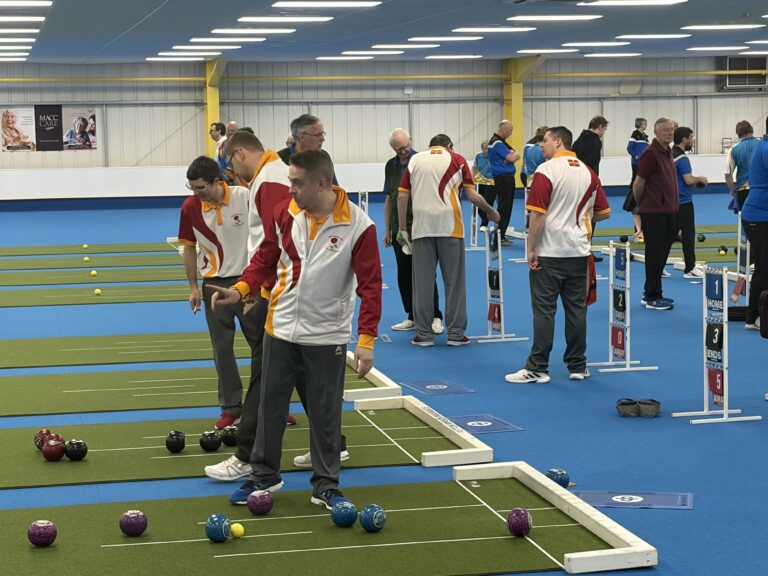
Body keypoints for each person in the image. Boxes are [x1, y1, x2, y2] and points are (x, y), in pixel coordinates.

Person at [207, 150, 382, 510]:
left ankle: (326, 484)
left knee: (325, 413)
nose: (291, 189)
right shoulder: (284, 213)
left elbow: (371, 286)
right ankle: (264, 475)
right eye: (290, 181)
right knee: (270, 408)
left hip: (326, 336)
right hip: (280, 327)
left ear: (322, 183)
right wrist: (240, 289)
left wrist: (366, 340)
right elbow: (264, 260)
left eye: (297, 183)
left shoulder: (360, 226)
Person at [202, 130, 310, 483]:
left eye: (230, 165)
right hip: (280, 290)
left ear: (240, 153)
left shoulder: (269, 182)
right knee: (302, 371)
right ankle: (332, 443)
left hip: (279, 294)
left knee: (266, 376)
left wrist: (257, 290)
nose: (232, 174)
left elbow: (274, 242)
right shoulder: (271, 178)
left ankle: (247, 456)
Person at [505, 126, 610, 384]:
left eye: (545, 141)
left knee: (544, 311)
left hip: (550, 252)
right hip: (578, 251)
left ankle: (538, 367)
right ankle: (578, 365)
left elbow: (537, 215)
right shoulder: (589, 172)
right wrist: (580, 221)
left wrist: (530, 248)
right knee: (576, 311)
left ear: (558, 141)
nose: (542, 145)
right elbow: (604, 212)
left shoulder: (546, 171)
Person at [178, 156, 263, 430]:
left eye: (200, 187)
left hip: (249, 283)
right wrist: (192, 286)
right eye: (191, 187)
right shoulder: (190, 208)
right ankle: (231, 407)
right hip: (213, 285)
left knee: (262, 348)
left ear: (217, 180)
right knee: (222, 350)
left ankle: (266, 404)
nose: (195, 193)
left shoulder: (246, 198)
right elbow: (189, 248)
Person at [397, 134, 500, 347]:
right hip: (450, 227)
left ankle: (424, 335)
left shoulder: (416, 160)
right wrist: (490, 211)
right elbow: (472, 196)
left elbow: (402, 196)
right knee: (454, 283)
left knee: (422, 284)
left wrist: (401, 228)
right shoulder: (458, 159)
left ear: (429, 146)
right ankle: (455, 334)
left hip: (421, 228)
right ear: (449, 146)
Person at [383, 128, 444, 335]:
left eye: (406, 146)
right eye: (399, 148)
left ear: (411, 141)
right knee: (404, 274)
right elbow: (390, 197)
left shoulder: (421, 161)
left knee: (426, 273)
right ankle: (412, 315)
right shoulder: (390, 166)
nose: (403, 151)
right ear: (393, 148)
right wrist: (387, 229)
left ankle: (435, 316)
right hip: (399, 230)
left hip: (421, 226)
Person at [633, 118, 679, 311]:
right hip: (654, 212)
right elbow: (638, 183)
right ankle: (653, 296)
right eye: (666, 130)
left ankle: (651, 292)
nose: (670, 133)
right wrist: (641, 205)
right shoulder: (650, 153)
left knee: (661, 255)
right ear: (657, 132)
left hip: (668, 210)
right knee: (654, 255)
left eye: (672, 130)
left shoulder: (667, 152)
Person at [741, 117, 768, 331]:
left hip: (759, 215)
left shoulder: (763, 146)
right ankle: (754, 316)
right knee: (764, 267)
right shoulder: (766, 148)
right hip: (759, 216)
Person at [672, 127, 707, 278]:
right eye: (691, 138)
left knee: (669, 236)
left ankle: (658, 267)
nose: (692, 141)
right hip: (684, 202)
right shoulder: (683, 159)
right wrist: (700, 179)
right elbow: (688, 179)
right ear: (684, 139)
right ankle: (690, 268)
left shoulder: (670, 154)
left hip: (671, 201)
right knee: (688, 235)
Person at [573, 116, 608, 262]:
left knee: (576, 216)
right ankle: (587, 250)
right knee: (591, 217)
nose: (604, 133)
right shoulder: (595, 142)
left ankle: (576, 247)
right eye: (604, 129)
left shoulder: (578, 140)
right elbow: (592, 163)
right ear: (599, 127)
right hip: (588, 183)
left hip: (574, 181)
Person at [487, 120, 521, 245]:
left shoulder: (500, 142)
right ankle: (499, 236)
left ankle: (501, 234)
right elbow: (513, 156)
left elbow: (516, 154)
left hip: (504, 178)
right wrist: (512, 156)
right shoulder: (497, 143)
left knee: (504, 207)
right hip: (504, 178)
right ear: (504, 129)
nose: (511, 133)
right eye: (510, 130)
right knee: (504, 208)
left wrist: (513, 156)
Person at [725, 120, 760, 212]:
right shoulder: (762, 145)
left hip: (743, 190)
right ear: (751, 130)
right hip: (762, 188)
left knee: (744, 220)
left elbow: (728, 174)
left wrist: (732, 190)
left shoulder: (733, 150)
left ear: (738, 134)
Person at [625, 117, 649, 239]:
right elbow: (629, 148)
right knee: (636, 181)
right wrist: (636, 156)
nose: (646, 125)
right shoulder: (635, 135)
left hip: (644, 163)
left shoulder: (645, 136)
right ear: (640, 124)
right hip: (637, 163)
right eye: (645, 123)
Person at [473, 140, 496, 231]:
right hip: (479, 182)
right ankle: (484, 219)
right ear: (482, 149)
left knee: (488, 204)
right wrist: (471, 180)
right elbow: (474, 168)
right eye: (484, 148)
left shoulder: (494, 156)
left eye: (488, 148)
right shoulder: (478, 156)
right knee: (478, 204)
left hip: (492, 183)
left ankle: (484, 224)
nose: (486, 150)